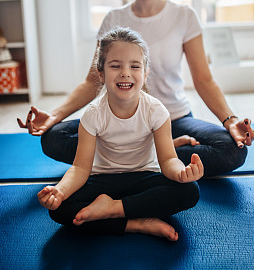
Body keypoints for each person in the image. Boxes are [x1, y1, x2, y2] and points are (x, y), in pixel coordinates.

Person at [18, 0, 254, 177]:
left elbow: (203, 79)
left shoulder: (184, 16)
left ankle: (130, 158)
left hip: (173, 119)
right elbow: (93, 80)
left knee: (234, 150)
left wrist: (229, 119)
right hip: (120, 122)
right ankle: (155, 157)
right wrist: (55, 115)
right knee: (53, 138)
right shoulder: (114, 19)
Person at [37, 27, 204, 240]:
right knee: (58, 209)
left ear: (145, 73)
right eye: (115, 66)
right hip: (104, 180)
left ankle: (113, 210)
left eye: (134, 66)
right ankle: (136, 223)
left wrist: (181, 174)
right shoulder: (93, 114)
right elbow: (80, 168)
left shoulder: (156, 110)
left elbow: (169, 159)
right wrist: (59, 191)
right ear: (101, 73)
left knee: (190, 191)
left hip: (145, 176)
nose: (125, 72)